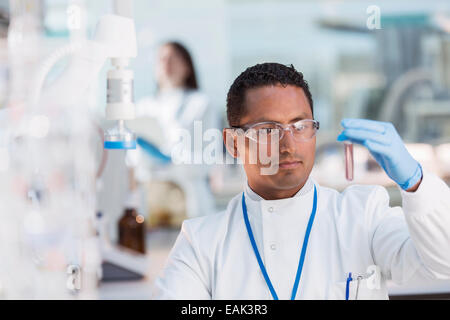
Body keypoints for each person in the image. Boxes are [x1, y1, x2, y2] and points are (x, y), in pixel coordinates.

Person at [152, 63, 450, 299]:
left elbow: (442, 265)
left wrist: (415, 182)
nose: (288, 143)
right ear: (233, 143)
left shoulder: (364, 214)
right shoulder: (202, 242)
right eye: (268, 129)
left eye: (300, 125)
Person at [135, 41, 218, 219]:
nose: (166, 63)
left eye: (173, 58)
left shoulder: (201, 104)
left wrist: (169, 162)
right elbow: (133, 160)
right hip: (150, 201)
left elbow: (209, 158)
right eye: (161, 59)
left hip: (189, 201)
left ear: (187, 66)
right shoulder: (142, 108)